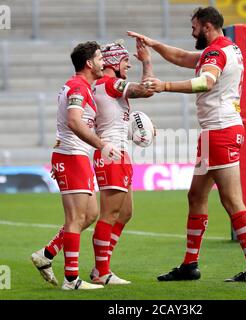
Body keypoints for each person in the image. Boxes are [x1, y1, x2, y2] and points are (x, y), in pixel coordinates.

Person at [128, 6, 246, 282]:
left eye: (194, 27)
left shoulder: (215, 53)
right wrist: (154, 45)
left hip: (220, 130)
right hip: (216, 131)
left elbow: (206, 81)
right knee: (196, 196)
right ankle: (190, 265)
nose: (192, 32)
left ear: (206, 26)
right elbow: (182, 56)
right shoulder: (227, 49)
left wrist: (164, 86)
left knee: (231, 200)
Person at [30, 41, 121, 290]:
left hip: (74, 156)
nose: (104, 63)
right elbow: (73, 121)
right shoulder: (78, 87)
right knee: (75, 218)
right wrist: (102, 145)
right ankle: (71, 279)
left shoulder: (80, 86)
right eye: (101, 58)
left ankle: (47, 255)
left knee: (89, 214)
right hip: (72, 156)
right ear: (90, 63)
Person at [89, 39, 155, 285]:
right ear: (115, 63)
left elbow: (112, 120)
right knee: (109, 214)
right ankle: (101, 272)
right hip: (111, 154)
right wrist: (146, 60)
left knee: (125, 213)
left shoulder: (105, 86)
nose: (128, 66)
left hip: (120, 152)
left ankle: (101, 265)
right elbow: (147, 89)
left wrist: (136, 131)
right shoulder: (110, 83)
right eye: (126, 62)